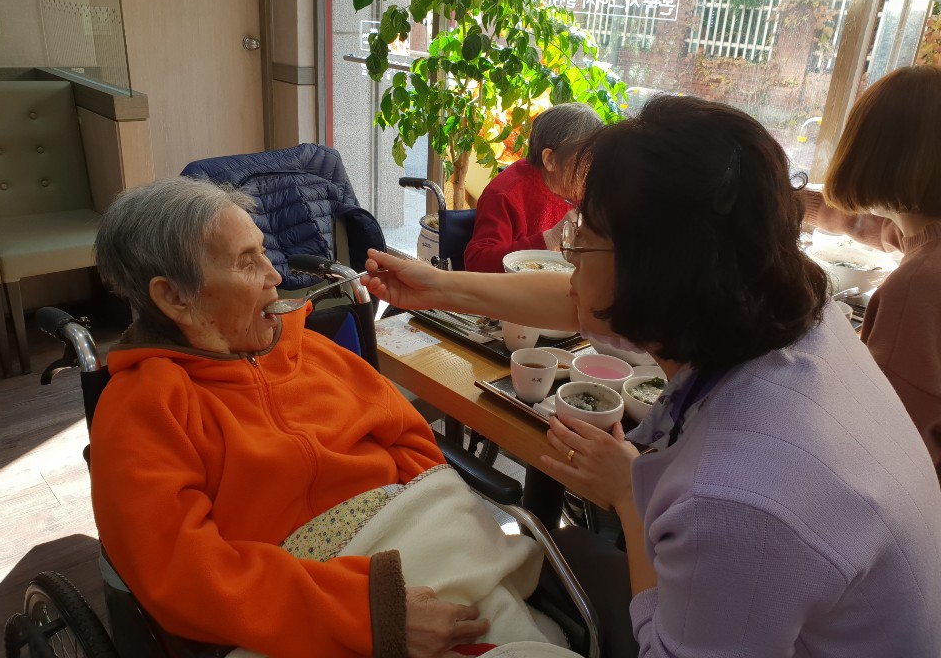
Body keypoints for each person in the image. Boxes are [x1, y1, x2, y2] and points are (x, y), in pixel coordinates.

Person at [363, 95, 941, 657]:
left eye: (583, 238)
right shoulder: (800, 317)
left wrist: (629, 496)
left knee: (550, 561)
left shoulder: (736, 495)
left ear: (652, 275)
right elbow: (577, 299)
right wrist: (438, 286)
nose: (570, 256)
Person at [89, 177, 578, 658]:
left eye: (264, 252)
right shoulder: (141, 409)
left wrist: (441, 524)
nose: (274, 274)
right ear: (175, 298)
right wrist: (373, 614)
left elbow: (410, 441)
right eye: (247, 261)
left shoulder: (313, 351)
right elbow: (185, 575)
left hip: (428, 548)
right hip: (308, 607)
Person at [798, 65, 941, 475]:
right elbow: (880, 228)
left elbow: (883, 449)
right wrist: (794, 203)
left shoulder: (918, 285)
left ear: (870, 155)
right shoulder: (924, 242)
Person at [463, 103, 603, 273]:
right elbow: (477, 262)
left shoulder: (583, 187)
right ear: (550, 159)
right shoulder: (505, 194)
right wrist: (552, 237)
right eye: (585, 160)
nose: (593, 168)